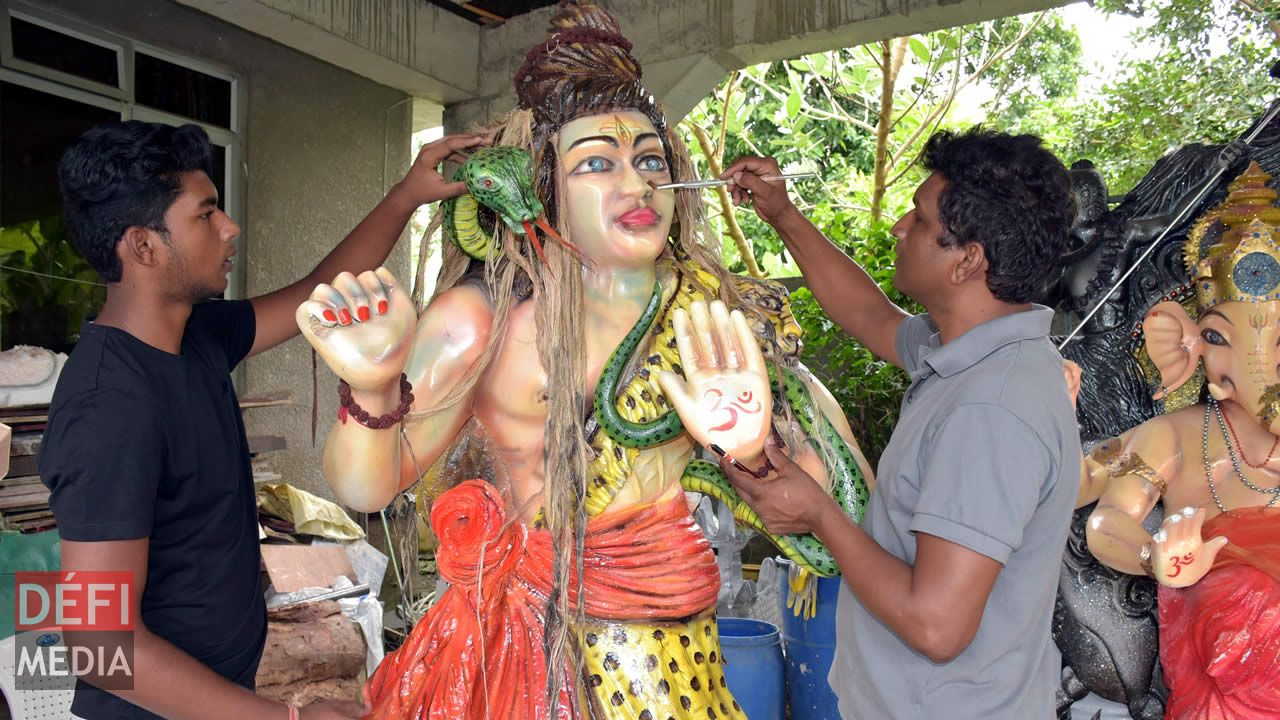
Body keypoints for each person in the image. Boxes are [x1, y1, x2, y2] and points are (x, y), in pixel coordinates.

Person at [297, 2, 872, 717]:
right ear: (543, 184)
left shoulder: (711, 314)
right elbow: (368, 486)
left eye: (650, 161)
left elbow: (841, 509)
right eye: (597, 162)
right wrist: (374, 388)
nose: (636, 186)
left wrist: (753, 452)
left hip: (669, 656)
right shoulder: (486, 319)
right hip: (518, 650)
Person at [38, 119, 486, 720]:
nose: (230, 228)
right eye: (206, 215)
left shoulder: (193, 338)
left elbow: (316, 291)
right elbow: (97, 646)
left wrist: (408, 192)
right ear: (142, 245)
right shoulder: (108, 407)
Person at [718, 128, 1081, 719]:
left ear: (968, 260)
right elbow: (870, 316)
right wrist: (782, 214)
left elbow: (936, 624)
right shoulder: (974, 351)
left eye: (917, 218)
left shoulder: (991, 408)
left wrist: (819, 514)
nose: (899, 229)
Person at [1076, 161, 1280, 719]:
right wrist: (1152, 556)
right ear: (1185, 345)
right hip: (1226, 645)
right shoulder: (1175, 434)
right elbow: (1107, 519)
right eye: (1219, 337)